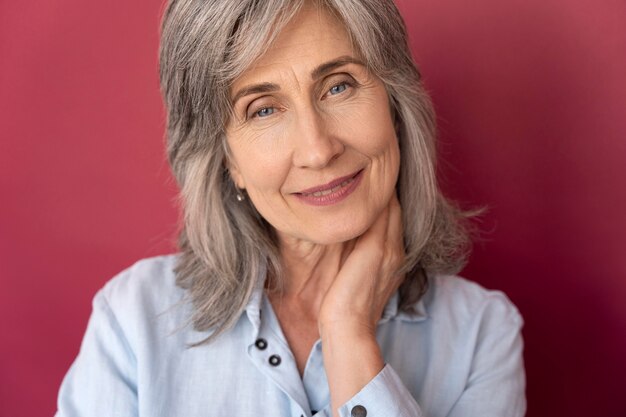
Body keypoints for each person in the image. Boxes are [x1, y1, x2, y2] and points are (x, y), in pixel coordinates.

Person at [55, 0, 526, 416]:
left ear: (395, 107)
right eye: (263, 110)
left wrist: (349, 334)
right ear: (227, 161)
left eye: (338, 86)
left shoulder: (481, 337)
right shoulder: (133, 323)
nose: (318, 150)